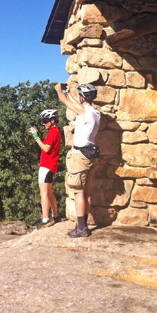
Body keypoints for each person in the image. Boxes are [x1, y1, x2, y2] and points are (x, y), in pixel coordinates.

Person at [55, 83, 100, 238]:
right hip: (91, 155)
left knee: (79, 193)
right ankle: (83, 224)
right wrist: (70, 94)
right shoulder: (95, 112)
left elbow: (66, 102)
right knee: (87, 193)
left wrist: (59, 91)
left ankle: (81, 228)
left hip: (80, 157)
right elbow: (77, 104)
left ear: (83, 97)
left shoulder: (83, 111)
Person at [29, 109, 62, 228]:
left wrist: (36, 136)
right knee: (49, 192)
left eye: (45, 121)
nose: (43, 123)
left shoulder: (53, 132)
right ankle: (56, 215)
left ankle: (45, 219)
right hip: (50, 165)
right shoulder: (55, 131)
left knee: (43, 192)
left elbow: (46, 148)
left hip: (47, 165)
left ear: (52, 121)